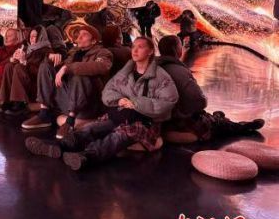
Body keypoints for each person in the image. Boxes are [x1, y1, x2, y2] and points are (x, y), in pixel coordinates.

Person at [25, 37, 179, 171]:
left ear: (150, 51)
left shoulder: (160, 76)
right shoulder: (125, 72)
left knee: (117, 137)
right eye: (133, 46)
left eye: (140, 47)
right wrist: (119, 100)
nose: (135, 50)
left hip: (143, 122)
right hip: (120, 115)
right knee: (90, 129)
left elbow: (168, 101)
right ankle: (58, 146)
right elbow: (107, 92)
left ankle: (87, 157)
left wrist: (136, 103)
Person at [157, 35, 264, 140]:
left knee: (204, 115)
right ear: (178, 51)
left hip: (161, 122)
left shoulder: (154, 68)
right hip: (177, 121)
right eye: (181, 46)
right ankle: (241, 126)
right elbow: (199, 101)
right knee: (215, 124)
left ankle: (218, 117)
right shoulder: (180, 71)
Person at [21, 25, 113, 139]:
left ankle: (70, 122)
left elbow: (102, 66)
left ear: (94, 40)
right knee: (45, 66)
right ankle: (44, 114)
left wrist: (68, 68)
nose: (79, 37)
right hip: (69, 100)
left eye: (84, 35)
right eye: (79, 34)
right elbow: (59, 67)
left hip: (88, 104)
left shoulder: (103, 52)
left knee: (79, 75)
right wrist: (51, 58)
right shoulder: (74, 53)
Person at [0, 25, 56, 117]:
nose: (31, 38)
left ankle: (19, 103)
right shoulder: (27, 48)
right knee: (9, 66)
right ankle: (7, 101)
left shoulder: (47, 51)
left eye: (34, 36)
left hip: (35, 84)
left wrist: (24, 62)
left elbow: (41, 72)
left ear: (41, 37)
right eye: (30, 36)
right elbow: (7, 63)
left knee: (19, 67)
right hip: (25, 80)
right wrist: (13, 59)